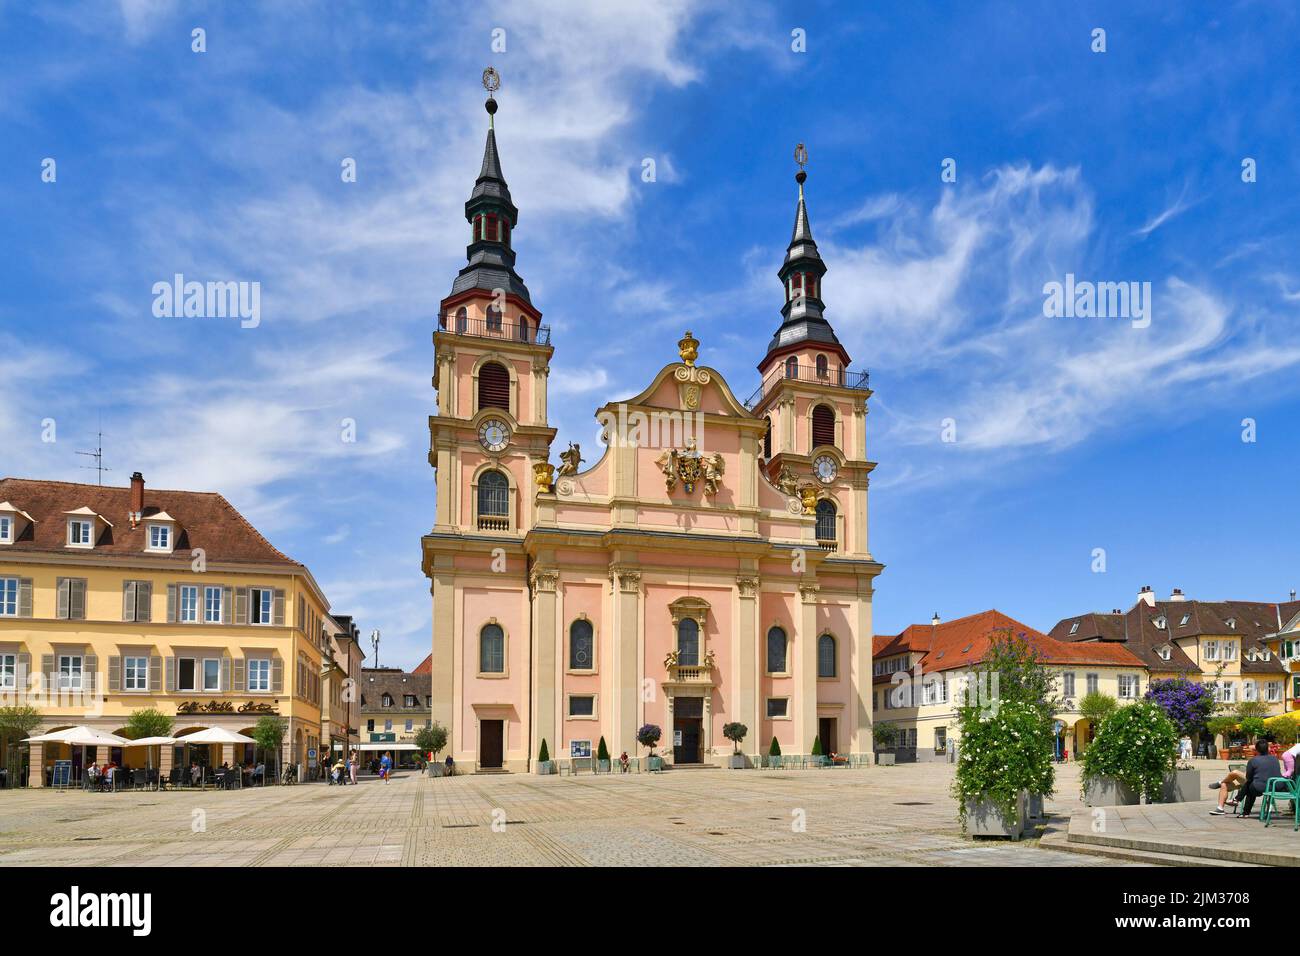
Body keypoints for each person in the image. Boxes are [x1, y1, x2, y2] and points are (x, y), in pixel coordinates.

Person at [1209, 739, 1282, 816]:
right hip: (1276, 786)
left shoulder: (1253, 760)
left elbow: (1249, 777)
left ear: (1256, 750)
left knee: (1249, 785)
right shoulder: (1275, 759)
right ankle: (1222, 807)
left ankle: (1240, 805)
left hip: (1261, 787)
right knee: (1225, 784)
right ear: (1267, 748)